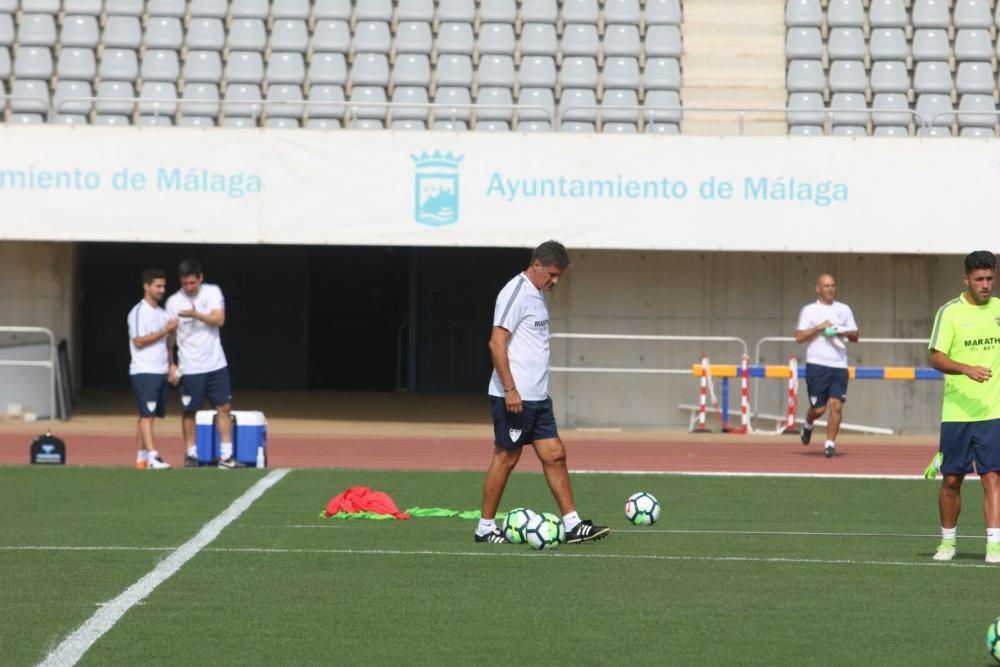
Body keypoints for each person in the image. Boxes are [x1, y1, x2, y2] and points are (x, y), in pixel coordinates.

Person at [475, 240, 609, 544]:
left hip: (538, 398)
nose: (555, 281)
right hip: (514, 397)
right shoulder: (516, 292)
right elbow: (496, 342)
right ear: (536, 265)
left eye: (559, 276)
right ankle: (484, 528)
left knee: (555, 455)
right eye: (551, 274)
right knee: (507, 457)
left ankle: (573, 524)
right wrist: (510, 389)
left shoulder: (538, 294)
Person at [928, 250, 1000, 563]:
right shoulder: (950, 313)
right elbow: (936, 357)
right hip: (957, 413)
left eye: (990, 278)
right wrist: (967, 368)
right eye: (979, 279)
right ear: (966, 279)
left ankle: (994, 545)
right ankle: (947, 542)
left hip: (993, 412)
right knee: (952, 480)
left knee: (992, 477)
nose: (986, 284)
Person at [165, 259, 241, 468]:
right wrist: (170, 364)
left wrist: (195, 314)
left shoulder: (212, 292)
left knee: (224, 407)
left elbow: (219, 319)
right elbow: (170, 337)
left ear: (200, 278)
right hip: (190, 365)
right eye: (184, 284)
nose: (189, 288)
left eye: (192, 283)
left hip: (216, 362)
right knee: (190, 410)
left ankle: (226, 456)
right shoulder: (173, 302)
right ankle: (191, 454)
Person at [794, 273, 859, 458]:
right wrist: (818, 328)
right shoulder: (809, 311)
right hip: (817, 364)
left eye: (833, 285)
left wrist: (841, 330)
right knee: (819, 409)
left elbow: (855, 336)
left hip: (839, 364)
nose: (830, 288)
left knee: (836, 405)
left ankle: (830, 444)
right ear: (818, 288)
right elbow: (798, 337)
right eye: (826, 285)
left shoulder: (844, 309)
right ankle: (808, 424)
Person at [127, 268, 177, 470]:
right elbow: (139, 340)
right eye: (158, 286)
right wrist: (164, 330)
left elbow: (167, 344)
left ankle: (142, 458)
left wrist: (171, 364)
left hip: (159, 369)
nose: (162, 290)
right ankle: (153, 456)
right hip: (144, 370)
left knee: (147, 414)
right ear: (146, 286)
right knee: (147, 414)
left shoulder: (162, 313)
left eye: (164, 286)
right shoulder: (139, 311)